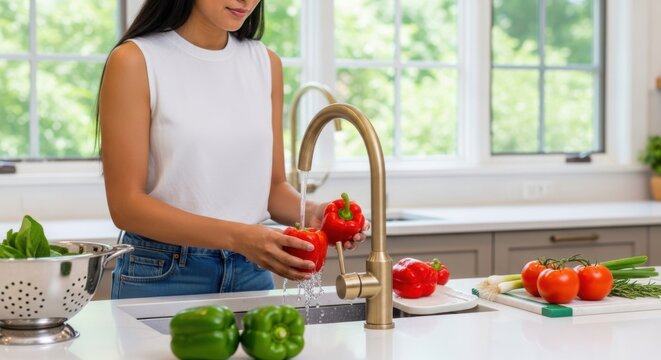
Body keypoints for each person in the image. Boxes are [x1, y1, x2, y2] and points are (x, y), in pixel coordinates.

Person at [97, 0, 367, 299]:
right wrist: (240, 237)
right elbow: (126, 206)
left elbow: (273, 188)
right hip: (164, 272)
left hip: (250, 272)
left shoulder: (265, 63)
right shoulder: (136, 60)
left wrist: (313, 213)